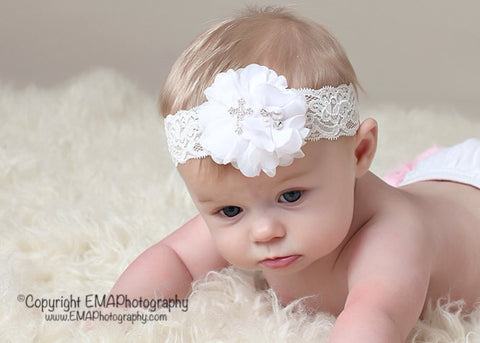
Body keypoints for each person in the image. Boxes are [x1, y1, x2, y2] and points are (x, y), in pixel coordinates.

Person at [111, 7, 480, 343]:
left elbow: (375, 318)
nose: (263, 231)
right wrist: (107, 322)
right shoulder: (256, 202)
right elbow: (174, 256)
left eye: (291, 196)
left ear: (360, 153)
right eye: (230, 212)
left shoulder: (392, 239)